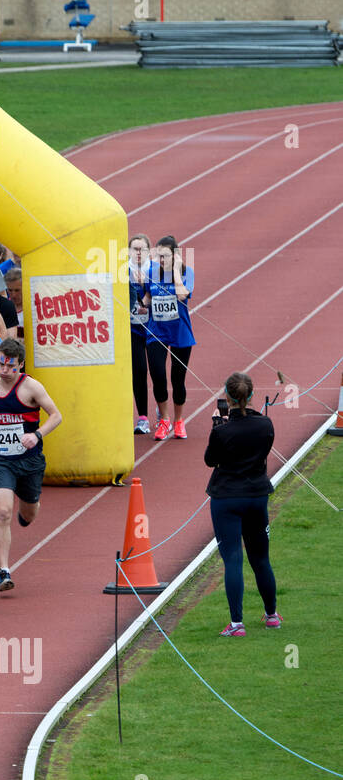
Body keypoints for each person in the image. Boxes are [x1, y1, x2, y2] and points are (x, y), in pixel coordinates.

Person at [0, 338, 62, 593]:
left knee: (29, 513)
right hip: (0, 461)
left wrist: (37, 435)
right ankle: (3, 570)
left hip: (29, 461)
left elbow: (56, 415)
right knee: (2, 512)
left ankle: (27, 508)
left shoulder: (31, 387)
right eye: (1, 365)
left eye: (11, 366)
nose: (5, 371)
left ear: (20, 365)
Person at [206, 372, 278, 637]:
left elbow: (210, 460)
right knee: (260, 558)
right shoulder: (266, 424)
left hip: (227, 498)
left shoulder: (222, 431)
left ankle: (237, 623)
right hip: (257, 495)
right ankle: (272, 615)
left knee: (233, 559)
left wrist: (217, 426)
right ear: (250, 396)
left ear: (227, 396)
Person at [143, 235, 196, 441]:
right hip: (156, 331)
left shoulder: (186, 272)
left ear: (175, 255)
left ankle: (179, 420)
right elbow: (148, 296)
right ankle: (164, 419)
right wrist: (141, 305)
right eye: (158, 256)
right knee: (158, 376)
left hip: (180, 333)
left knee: (177, 378)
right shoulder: (151, 273)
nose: (160, 260)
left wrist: (174, 272)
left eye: (165, 256)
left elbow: (182, 294)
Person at [126, 234, 154, 434]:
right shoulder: (122, 271)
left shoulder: (155, 270)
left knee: (158, 372)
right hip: (133, 328)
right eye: (134, 249)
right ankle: (143, 417)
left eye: (142, 249)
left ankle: (163, 414)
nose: (138, 253)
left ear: (148, 251)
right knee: (139, 370)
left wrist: (148, 298)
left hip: (153, 328)